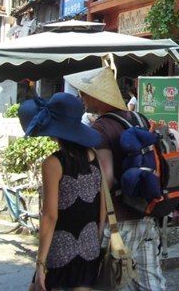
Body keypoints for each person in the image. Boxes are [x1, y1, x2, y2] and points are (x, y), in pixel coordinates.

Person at [64, 67, 166, 291]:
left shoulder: (101, 127)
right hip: (146, 214)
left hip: (118, 219)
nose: (82, 98)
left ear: (96, 95)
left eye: (84, 93)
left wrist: (95, 219)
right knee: (150, 284)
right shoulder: (138, 118)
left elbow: (106, 179)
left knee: (107, 281)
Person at [19, 92, 104, 291]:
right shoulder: (95, 157)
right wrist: (95, 239)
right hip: (90, 247)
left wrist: (40, 262)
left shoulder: (53, 163)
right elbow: (102, 208)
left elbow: (50, 216)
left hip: (60, 251)